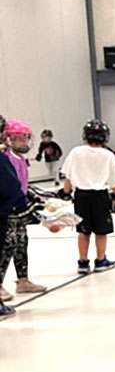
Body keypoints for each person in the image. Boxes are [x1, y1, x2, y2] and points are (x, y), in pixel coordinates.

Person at [60, 120, 115, 275]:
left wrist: (65, 191)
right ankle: (101, 260)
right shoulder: (108, 155)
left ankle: (83, 262)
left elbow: (68, 175)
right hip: (100, 196)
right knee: (101, 231)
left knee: (83, 230)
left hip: (81, 196)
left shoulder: (76, 152)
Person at [0, 120, 45, 302]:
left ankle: (23, 280)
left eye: (26, 138)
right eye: (20, 139)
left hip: (20, 206)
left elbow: (23, 184)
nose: (24, 142)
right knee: (7, 246)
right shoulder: (7, 158)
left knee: (21, 242)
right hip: (10, 208)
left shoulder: (20, 159)